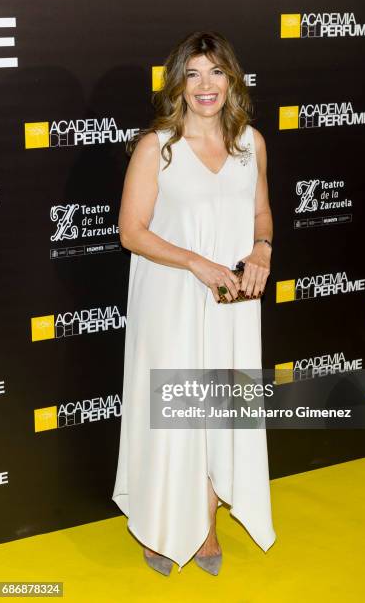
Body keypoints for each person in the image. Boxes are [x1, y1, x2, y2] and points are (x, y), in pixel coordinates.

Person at [112, 30, 276, 576]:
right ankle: (162, 523)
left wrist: (262, 250)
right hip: (172, 296)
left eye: (216, 73)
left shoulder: (250, 142)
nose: (206, 86)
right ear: (178, 82)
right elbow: (131, 232)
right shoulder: (157, 147)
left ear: (232, 80)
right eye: (194, 73)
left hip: (232, 300)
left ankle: (204, 523)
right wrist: (196, 263)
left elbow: (261, 214)